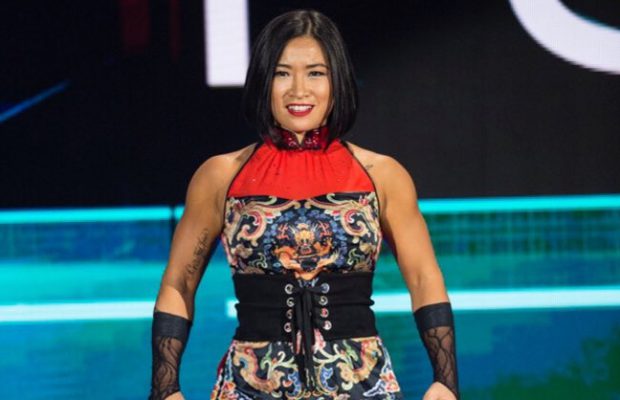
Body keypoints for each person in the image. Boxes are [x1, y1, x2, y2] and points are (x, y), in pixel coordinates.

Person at [149, 9, 459, 400]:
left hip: (362, 384)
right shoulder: (221, 175)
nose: (299, 90)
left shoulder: (382, 174)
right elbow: (179, 282)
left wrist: (446, 380)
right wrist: (165, 387)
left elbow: (424, 278)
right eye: (282, 73)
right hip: (251, 386)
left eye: (315, 73)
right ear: (263, 81)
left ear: (337, 81)